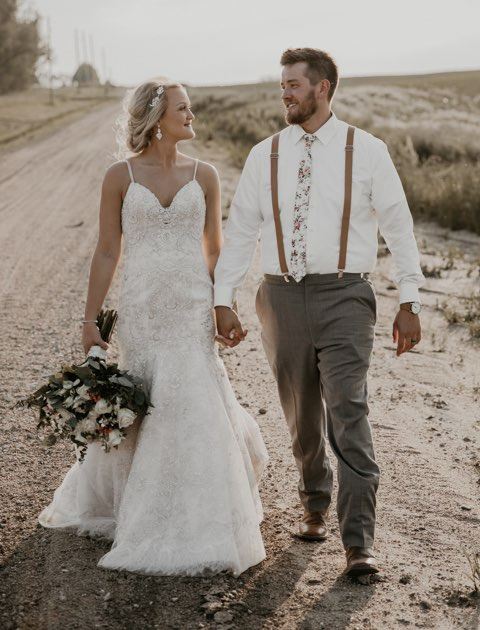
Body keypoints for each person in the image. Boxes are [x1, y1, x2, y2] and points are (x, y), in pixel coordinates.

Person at [37, 79, 269, 577]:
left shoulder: (205, 174)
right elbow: (105, 251)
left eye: (190, 108)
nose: (192, 115)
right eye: (183, 108)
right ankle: (137, 506)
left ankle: (203, 512)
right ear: (156, 116)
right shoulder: (118, 176)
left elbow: (214, 249)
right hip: (142, 310)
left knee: (193, 400)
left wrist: (224, 305)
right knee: (147, 403)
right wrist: (89, 321)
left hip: (190, 307)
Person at [214, 48, 425, 577]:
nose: (284, 92)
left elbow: (399, 227)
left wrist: (410, 300)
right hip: (279, 298)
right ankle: (314, 504)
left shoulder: (368, 150)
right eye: (282, 84)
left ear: (323, 87)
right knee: (301, 415)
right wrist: (223, 298)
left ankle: (358, 543)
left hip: (346, 297)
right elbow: (240, 232)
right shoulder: (265, 155)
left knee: (348, 412)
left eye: (294, 84)